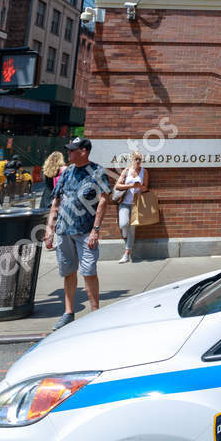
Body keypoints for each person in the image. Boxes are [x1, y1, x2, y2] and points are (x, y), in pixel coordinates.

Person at [43, 137, 112, 331]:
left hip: (85, 232)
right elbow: (56, 201)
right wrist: (50, 228)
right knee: (68, 271)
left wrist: (95, 230)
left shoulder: (97, 172)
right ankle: (68, 313)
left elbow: (103, 201)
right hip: (64, 231)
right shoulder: (67, 173)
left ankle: (95, 312)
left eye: (72, 150)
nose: (68, 153)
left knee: (88, 271)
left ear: (83, 151)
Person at [112, 151, 147, 263]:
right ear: (132, 159)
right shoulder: (126, 171)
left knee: (132, 228)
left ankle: (127, 253)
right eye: (136, 159)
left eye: (140, 159)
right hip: (124, 202)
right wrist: (131, 185)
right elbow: (117, 185)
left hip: (136, 203)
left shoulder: (144, 172)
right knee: (123, 224)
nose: (138, 161)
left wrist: (140, 186)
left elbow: (146, 188)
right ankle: (124, 232)